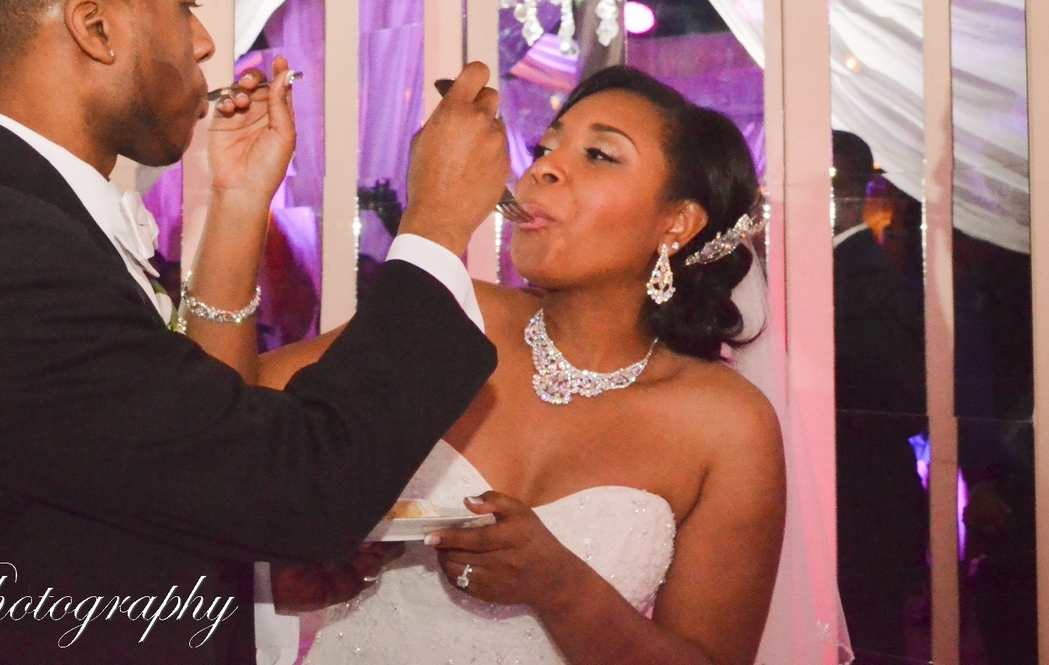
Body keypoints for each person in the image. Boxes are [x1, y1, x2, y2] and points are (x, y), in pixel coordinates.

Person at [0, 0, 508, 664]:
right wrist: (435, 222)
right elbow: (300, 483)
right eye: (185, 2)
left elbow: (180, 457)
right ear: (95, 28)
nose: (203, 40)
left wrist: (237, 208)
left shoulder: (11, 218)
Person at [250, 67, 787, 665]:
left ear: (676, 223)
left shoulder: (728, 425)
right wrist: (241, 199)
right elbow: (222, 413)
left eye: (600, 155)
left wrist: (563, 590)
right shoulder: (451, 317)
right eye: (545, 149)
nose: (543, 169)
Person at [831, 130, 928, 664]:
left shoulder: (865, 274)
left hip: (865, 494)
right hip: (856, 491)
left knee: (870, 637)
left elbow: (898, 395)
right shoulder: (839, 266)